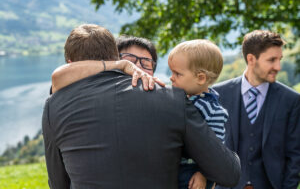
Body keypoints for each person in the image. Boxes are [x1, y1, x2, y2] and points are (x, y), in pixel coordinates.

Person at [42, 24, 241, 189]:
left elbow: (59, 183)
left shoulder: (54, 106)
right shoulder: (174, 99)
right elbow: (228, 173)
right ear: (116, 56)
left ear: (70, 63)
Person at [213, 30, 300, 189]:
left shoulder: (291, 100)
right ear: (251, 59)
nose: (278, 67)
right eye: (272, 60)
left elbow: (295, 155)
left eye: (279, 59)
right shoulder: (219, 94)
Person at [168, 40, 228, 189]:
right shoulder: (187, 99)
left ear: (201, 78)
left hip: (192, 173)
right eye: (171, 72)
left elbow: (215, 150)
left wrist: (203, 174)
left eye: (177, 73)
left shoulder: (212, 110)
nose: (171, 77)